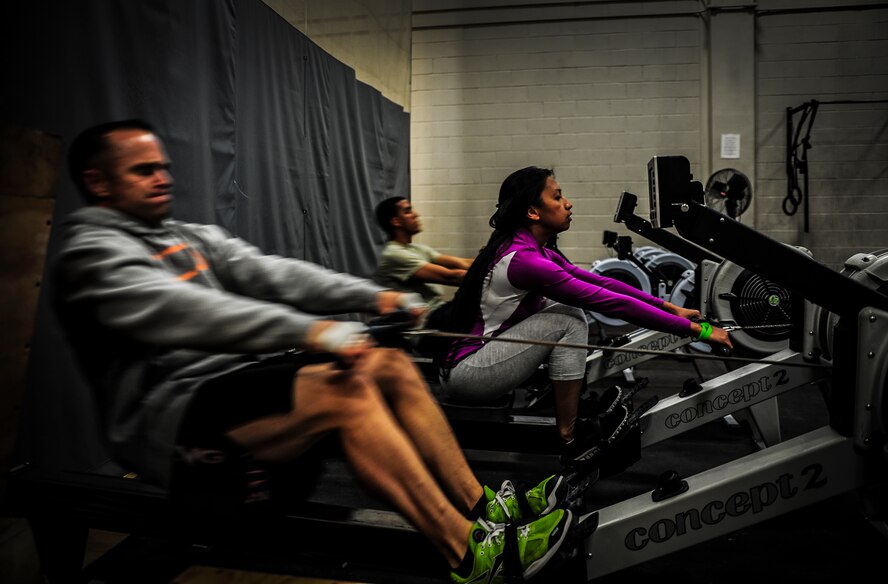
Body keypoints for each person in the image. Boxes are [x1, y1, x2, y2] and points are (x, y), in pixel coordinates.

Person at [54, 121, 580, 583]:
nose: (162, 178)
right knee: (345, 393)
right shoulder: (92, 255)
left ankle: (480, 504)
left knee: (388, 362)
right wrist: (317, 334)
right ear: (98, 182)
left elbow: (273, 272)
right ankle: (472, 556)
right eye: (143, 170)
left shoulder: (184, 236)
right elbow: (186, 311)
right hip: (168, 417)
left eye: (163, 167)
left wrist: (370, 296)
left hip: (228, 385)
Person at [438, 166, 733, 460]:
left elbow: (601, 282)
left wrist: (669, 307)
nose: (568, 203)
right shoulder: (526, 261)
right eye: (557, 197)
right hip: (469, 375)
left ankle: (567, 404)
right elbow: (609, 302)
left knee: (566, 310)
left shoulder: (534, 250)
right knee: (567, 320)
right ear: (532, 212)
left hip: (477, 363)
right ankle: (570, 434)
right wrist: (699, 330)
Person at [374, 196, 473, 315]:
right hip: (426, 320)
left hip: (438, 311)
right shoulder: (394, 254)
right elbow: (450, 277)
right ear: (396, 221)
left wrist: (491, 259)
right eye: (407, 211)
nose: (416, 214)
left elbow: (461, 263)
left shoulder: (418, 249)